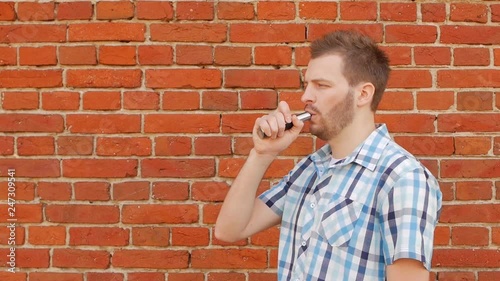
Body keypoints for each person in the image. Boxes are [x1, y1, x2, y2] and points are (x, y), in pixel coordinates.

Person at [215, 30, 442, 281]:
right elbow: (229, 230)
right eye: (307, 85)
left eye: (321, 86)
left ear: (363, 94)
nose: (306, 97)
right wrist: (262, 153)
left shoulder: (402, 177)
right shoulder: (309, 170)